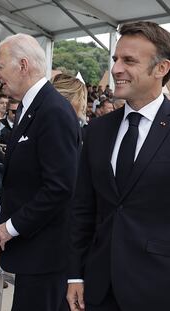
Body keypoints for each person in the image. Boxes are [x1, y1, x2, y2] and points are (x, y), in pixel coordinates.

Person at [67, 21, 170, 311]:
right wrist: (75, 274)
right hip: (98, 287)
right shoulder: (98, 130)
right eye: (115, 60)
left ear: (161, 69)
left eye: (129, 61)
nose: (116, 69)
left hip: (159, 288)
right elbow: (83, 208)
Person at [0, 33, 80, 311]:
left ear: (23, 65)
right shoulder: (31, 107)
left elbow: (60, 187)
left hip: (47, 256)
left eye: (0, 66)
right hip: (35, 255)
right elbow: (27, 178)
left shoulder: (52, 109)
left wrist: (11, 227)